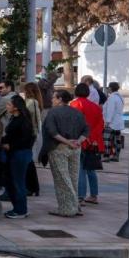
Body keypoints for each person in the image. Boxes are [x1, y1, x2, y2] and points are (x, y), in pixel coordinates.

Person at [40, 89, 89, 218]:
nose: (52, 100)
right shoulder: (77, 113)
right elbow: (86, 129)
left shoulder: (53, 113)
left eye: (54, 98)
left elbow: (52, 132)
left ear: (60, 99)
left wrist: (67, 142)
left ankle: (67, 208)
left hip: (59, 148)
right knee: (73, 178)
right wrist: (77, 142)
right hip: (75, 148)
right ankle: (75, 206)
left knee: (62, 178)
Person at [70, 82, 104, 207]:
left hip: (80, 140)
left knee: (80, 169)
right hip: (93, 142)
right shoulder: (95, 107)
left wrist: (83, 138)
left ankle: (80, 196)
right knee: (91, 169)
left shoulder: (75, 104)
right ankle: (94, 195)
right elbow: (101, 124)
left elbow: (75, 123)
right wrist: (92, 138)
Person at [1, 95, 35, 219]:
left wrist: (10, 146)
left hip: (20, 154)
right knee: (12, 181)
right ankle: (17, 208)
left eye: (9, 105)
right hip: (14, 153)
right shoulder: (14, 118)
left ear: (16, 107)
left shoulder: (23, 120)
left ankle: (21, 210)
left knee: (18, 182)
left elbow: (26, 140)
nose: (7, 107)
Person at [23, 82, 44, 196]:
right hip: (31, 134)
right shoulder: (35, 102)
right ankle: (33, 187)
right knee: (28, 161)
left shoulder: (32, 102)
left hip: (29, 134)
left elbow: (33, 120)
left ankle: (32, 187)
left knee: (28, 161)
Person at [102, 82, 124, 162]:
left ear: (110, 88)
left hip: (111, 122)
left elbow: (110, 110)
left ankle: (106, 156)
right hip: (118, 121)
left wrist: (107, 121)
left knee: (107, 139)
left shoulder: (112, 98)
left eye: (108, 88)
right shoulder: (120, 97)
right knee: (117, 140)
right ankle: (116, 155)